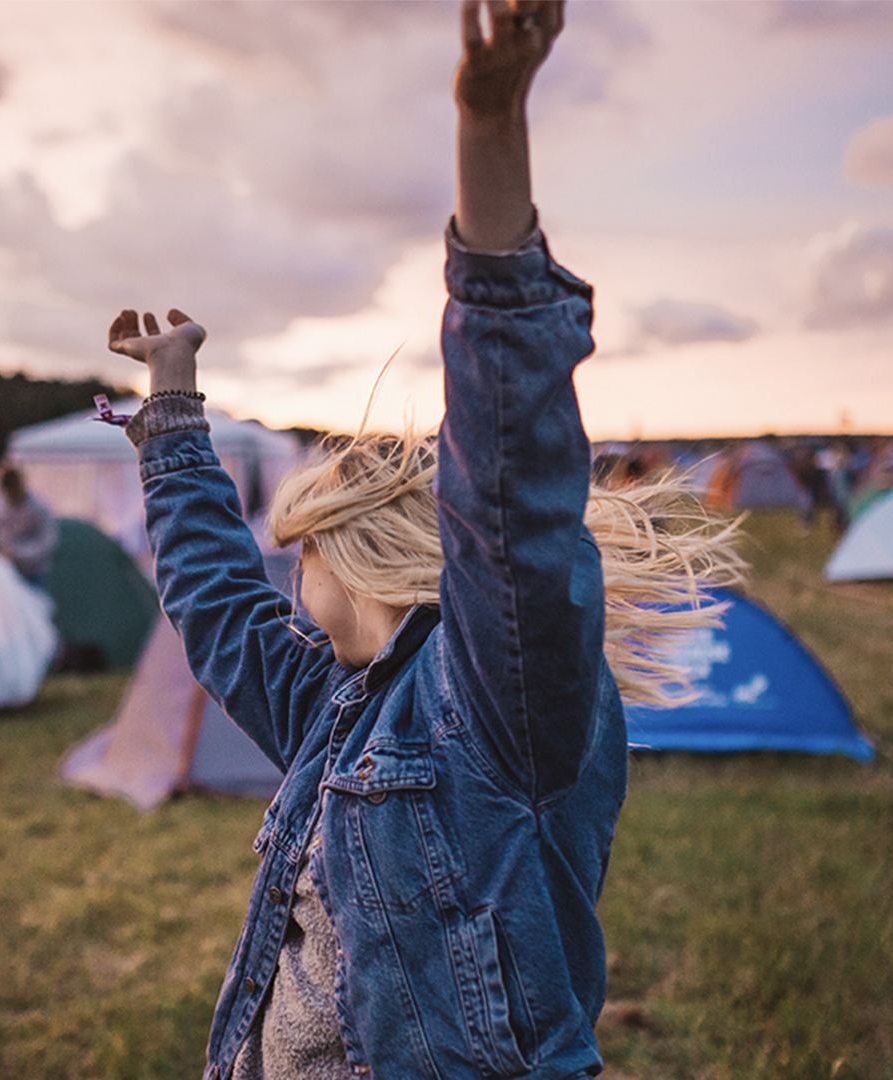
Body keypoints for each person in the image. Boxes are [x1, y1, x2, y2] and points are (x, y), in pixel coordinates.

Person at [105, 4, 741, 1075]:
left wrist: (489, 140)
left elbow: (510, 487)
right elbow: (213, 602)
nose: (283, 571)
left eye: (299, 547)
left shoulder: (494, 699)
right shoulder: (334, 701)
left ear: (352, 554)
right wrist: (171, 403)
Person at [0, 464, 58, 587]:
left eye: (14, 486)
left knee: (33, 598)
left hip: (32, 572)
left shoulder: (39, 508)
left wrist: (18, 553)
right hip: (6, 571)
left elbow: (47, 542)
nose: (12, 492)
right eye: (8, 489)